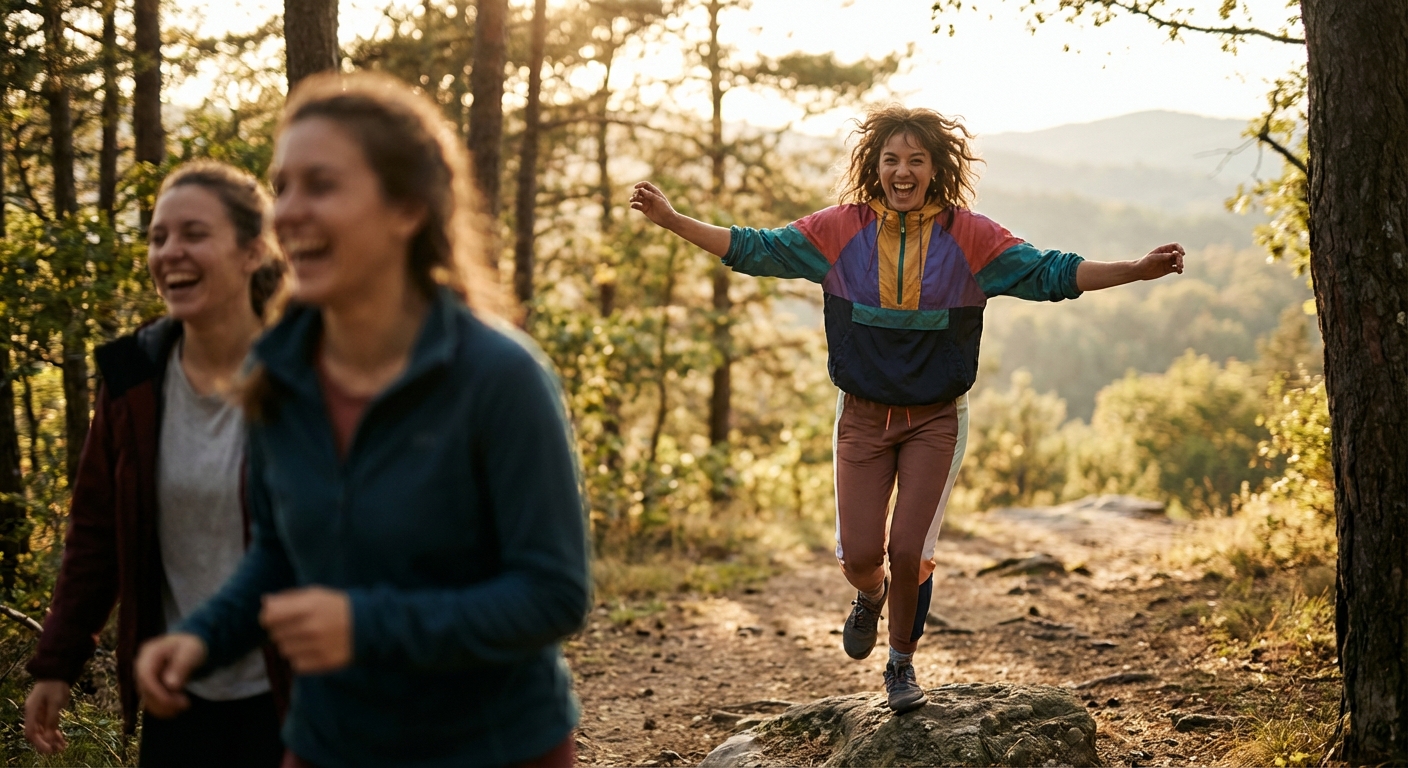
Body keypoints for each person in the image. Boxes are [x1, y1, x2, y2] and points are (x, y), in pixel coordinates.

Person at [629, 104, 1184, 714]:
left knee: (911, 550)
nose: (903, 171)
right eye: (892, 159)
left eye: (916, 160)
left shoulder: (972, 239)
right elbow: (756, 248)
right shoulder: (839, 231)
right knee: (863, 557)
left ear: (936, 168)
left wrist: (1134, 270)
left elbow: (1052, 272)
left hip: (936, 422)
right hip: (862, 419)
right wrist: (673, 220)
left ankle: (900, 662)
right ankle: (869, 596)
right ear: (874, 165)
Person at [133, 72, 590, 768]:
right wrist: (202, 637)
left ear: (406, 208)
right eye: (282, 186)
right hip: (330, 743)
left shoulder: (500, 377)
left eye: (321, 185)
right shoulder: (277, 377)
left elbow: (553, 596)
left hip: (494, 748)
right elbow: (280, 555)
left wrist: (365, 626)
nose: (287, 211)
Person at [24, 161, 290, 765]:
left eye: (194, 234)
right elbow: (95, 532)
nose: (170, 252)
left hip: (298, 697)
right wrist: (57, 661)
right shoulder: (132, 378)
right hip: (178, 700)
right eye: (158, 237)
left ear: (253, 252)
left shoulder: (306, 373)